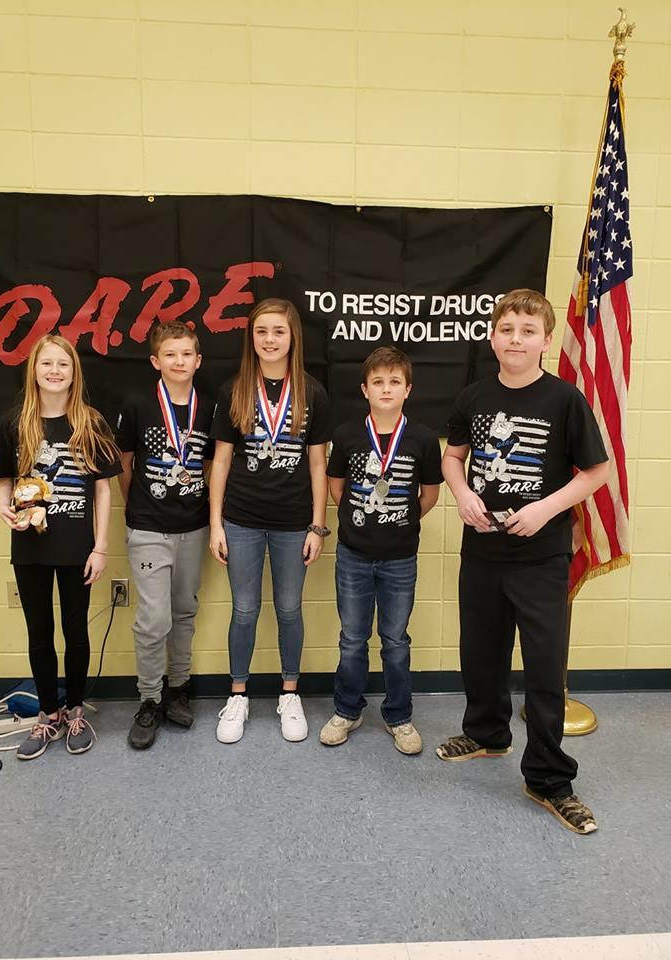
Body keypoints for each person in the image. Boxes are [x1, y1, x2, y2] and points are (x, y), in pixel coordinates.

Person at [436, 289, 609, 835]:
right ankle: (487, 733)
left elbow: (595, 472)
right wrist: (461, 493)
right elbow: (453, 456)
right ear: (492, 337)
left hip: (540, 553)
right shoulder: (473, 397)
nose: (516, 338)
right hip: (483, 550)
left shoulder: (564, 399)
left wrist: (544, 509)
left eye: (527, 331)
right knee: (480, 651)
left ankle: (549, 779)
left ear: (546, 340)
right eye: (507, 329)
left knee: (542, 664)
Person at [0, 334, 121, 760]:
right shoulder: (15, 422)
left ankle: (75, 711)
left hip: (76, 547)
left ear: (73, 373)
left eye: (62, 365)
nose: (54, 371)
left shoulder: (91, 422)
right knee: (39, 631)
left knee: (75, 628)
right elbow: (5, 482)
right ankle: (47, 714)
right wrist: (1, 506)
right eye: (46, 363)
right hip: (29, 544)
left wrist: (100, 546)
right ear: (34, 370)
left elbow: (103, 490)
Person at [209, 297, 331, 744]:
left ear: (292, 336)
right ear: (251, 338)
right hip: (240, 519)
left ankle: (289, 692)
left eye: (278, 331)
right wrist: (217, 524)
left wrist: (318, 526)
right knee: (244, 609)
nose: (270, 339)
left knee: (289, 608)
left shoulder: (312, 392)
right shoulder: (234, 390)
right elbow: (220, 462)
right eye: (262, 331)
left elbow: (318, 465)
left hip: (293, 521)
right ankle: (238, 694)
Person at [320, 347, 442, 755]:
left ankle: (399, 716)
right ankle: (347, 710)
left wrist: (400, 520)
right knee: (352, 638)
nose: (386, 388)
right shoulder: (347, 435)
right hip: (353, 554)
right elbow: (337, 488)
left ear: (407, 389)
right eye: (378, 382)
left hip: (400, 557)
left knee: (395, 640)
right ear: (364, 389)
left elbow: (428, 495)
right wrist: (358, 519)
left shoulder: (423, 439)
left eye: (394, 382)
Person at [116, 321, 215, 749]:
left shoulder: (208, 407)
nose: (179, 361)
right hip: (148, 526)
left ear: (198, 360)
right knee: (153, 619)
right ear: (156, 361)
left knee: (184, 611)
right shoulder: (137, 403)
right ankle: (150, 699)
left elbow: (212, 464)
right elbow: (124, 462)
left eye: (186, 354)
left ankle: (179, 688)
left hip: (193, 525)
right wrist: (139, 506)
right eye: (170, 355)